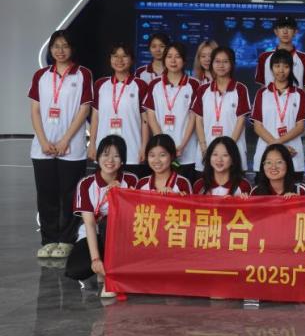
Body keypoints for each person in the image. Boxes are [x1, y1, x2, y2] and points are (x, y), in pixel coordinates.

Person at [29, 31, 94, 259]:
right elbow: (35, 110)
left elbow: (84, 110)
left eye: (65, 46)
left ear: (72, 48)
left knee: (69, 196)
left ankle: (66, 240)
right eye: (56, 46)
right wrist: (43, 141)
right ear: (50, 49)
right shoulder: (41, 75)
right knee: (46, 195)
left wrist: (65, 139)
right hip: (42, 147)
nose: (60, 50)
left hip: (72, 147)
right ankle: (48, 240)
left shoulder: (83, 74)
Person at [64, 135, 138, 295]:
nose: (110, 160)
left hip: (122, 236)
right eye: (105, 154)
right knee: (75, 269)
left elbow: (135, 215)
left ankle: (111, 276)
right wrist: (95, 259)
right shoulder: (86, 184)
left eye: (116, 156)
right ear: (97, 158)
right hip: (94, 234)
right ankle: (103, 267)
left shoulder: (130, 180)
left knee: (108, 221)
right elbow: (90, 224)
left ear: (123, 160)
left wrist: (121, 194)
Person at [143, 41, 200, 181]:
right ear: (164, 60)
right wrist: (163, 145)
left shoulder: (194, 84)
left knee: (185, 190)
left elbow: (193, 118)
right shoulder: (155, 84)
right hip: (161, 154)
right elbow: (151, 116)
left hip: (187, 151)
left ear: (184, 60)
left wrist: (182, 145)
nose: (173, 61)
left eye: (177, 56)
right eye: (169, 56)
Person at [89, 42, 148, 177]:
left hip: (132, 150)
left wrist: (144, 147)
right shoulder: (100, 84)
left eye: (124, 56)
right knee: (105, 188)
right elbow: (95, 117)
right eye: (115, 56)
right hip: (104, 150)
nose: (119, 60)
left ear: (132, 60)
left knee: (130, 187)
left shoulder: (140, 85)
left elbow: (145, 120)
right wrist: (92, 144)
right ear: (110, 59)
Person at [191, 46, 250, 171]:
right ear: (212, 64)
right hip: (207, 150)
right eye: (217, 61)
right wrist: (203, 147)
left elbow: (241, 120)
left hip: (233, 150)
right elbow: (198, 120)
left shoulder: (240, 89)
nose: (221, 65)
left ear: (232, 64)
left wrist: (229, 148)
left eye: (225, 61)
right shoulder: (203, 89)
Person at [251, 49, 305, 175]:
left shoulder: (299, 94)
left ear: (291, 68)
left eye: (286, 66)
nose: (281, 70)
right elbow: (257, 127)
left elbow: (300, 127)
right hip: (265, 157)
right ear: (271, 68)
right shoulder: (262, 93)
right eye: (277, 66)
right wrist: (281, 147)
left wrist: (276, 144)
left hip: (293, 157)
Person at [255, 15, 305, 88]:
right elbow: (263, 85)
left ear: (295, 32)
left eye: (289, 28)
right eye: (281, 27)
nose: (285, 31)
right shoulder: (264, 57)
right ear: (276, 31)